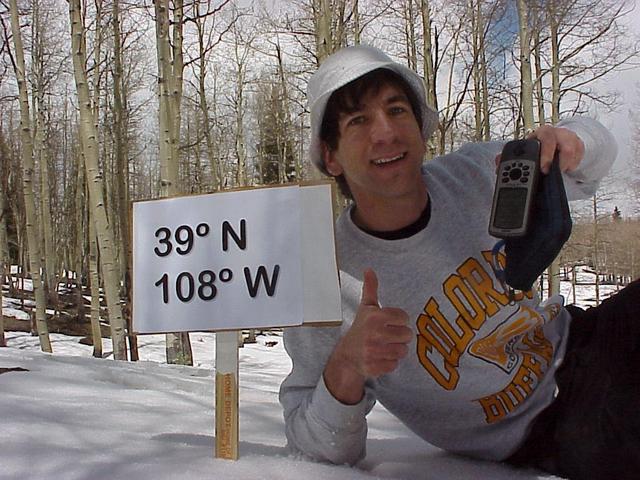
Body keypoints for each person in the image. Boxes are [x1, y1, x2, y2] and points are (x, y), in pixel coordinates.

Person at [279, 44, 639, 480]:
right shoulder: (325, 281)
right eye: (358, 121)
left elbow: (588, 170)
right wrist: (346, 365)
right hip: (548, 430)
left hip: (589, 339)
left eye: (397, 110)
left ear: (421, 130)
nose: (385, 132)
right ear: (330, 156)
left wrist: (574, 142)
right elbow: (315, 448)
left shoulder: (475, 171)